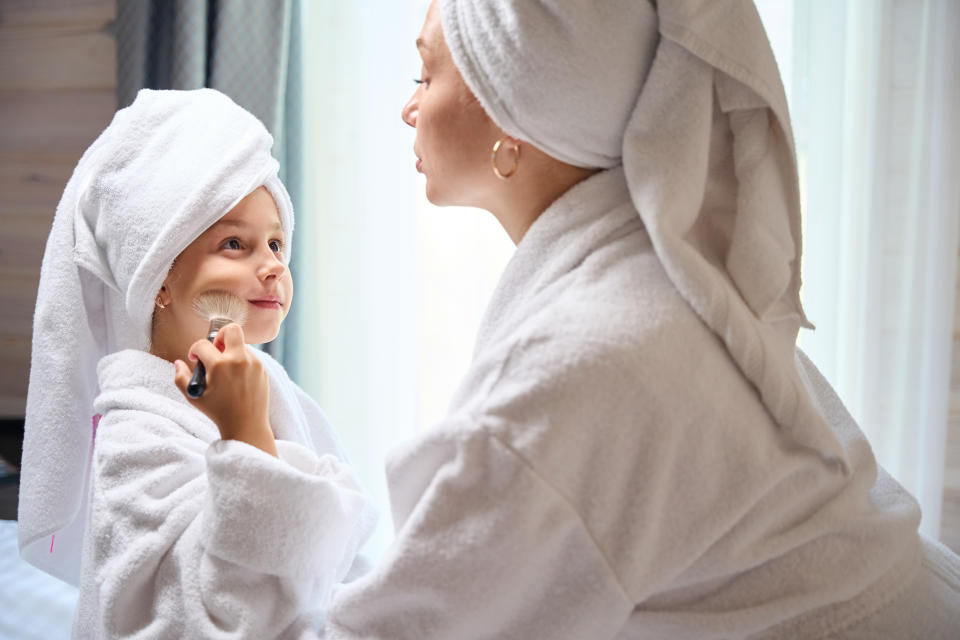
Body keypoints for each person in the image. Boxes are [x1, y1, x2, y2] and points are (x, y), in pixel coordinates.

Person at [320, 1, 960, 638]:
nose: (409, 109)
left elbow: (400, 629)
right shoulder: (681, 276)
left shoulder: (580, 360)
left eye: (424, 77)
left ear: (511, 107)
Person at [17, 88, 376, 638]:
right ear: (158, 276)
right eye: (236, 243)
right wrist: (246, 432)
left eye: (278, 245)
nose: (272, 267)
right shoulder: (135, 433)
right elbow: (193, 617)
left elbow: (343, 555)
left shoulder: (272, 387)